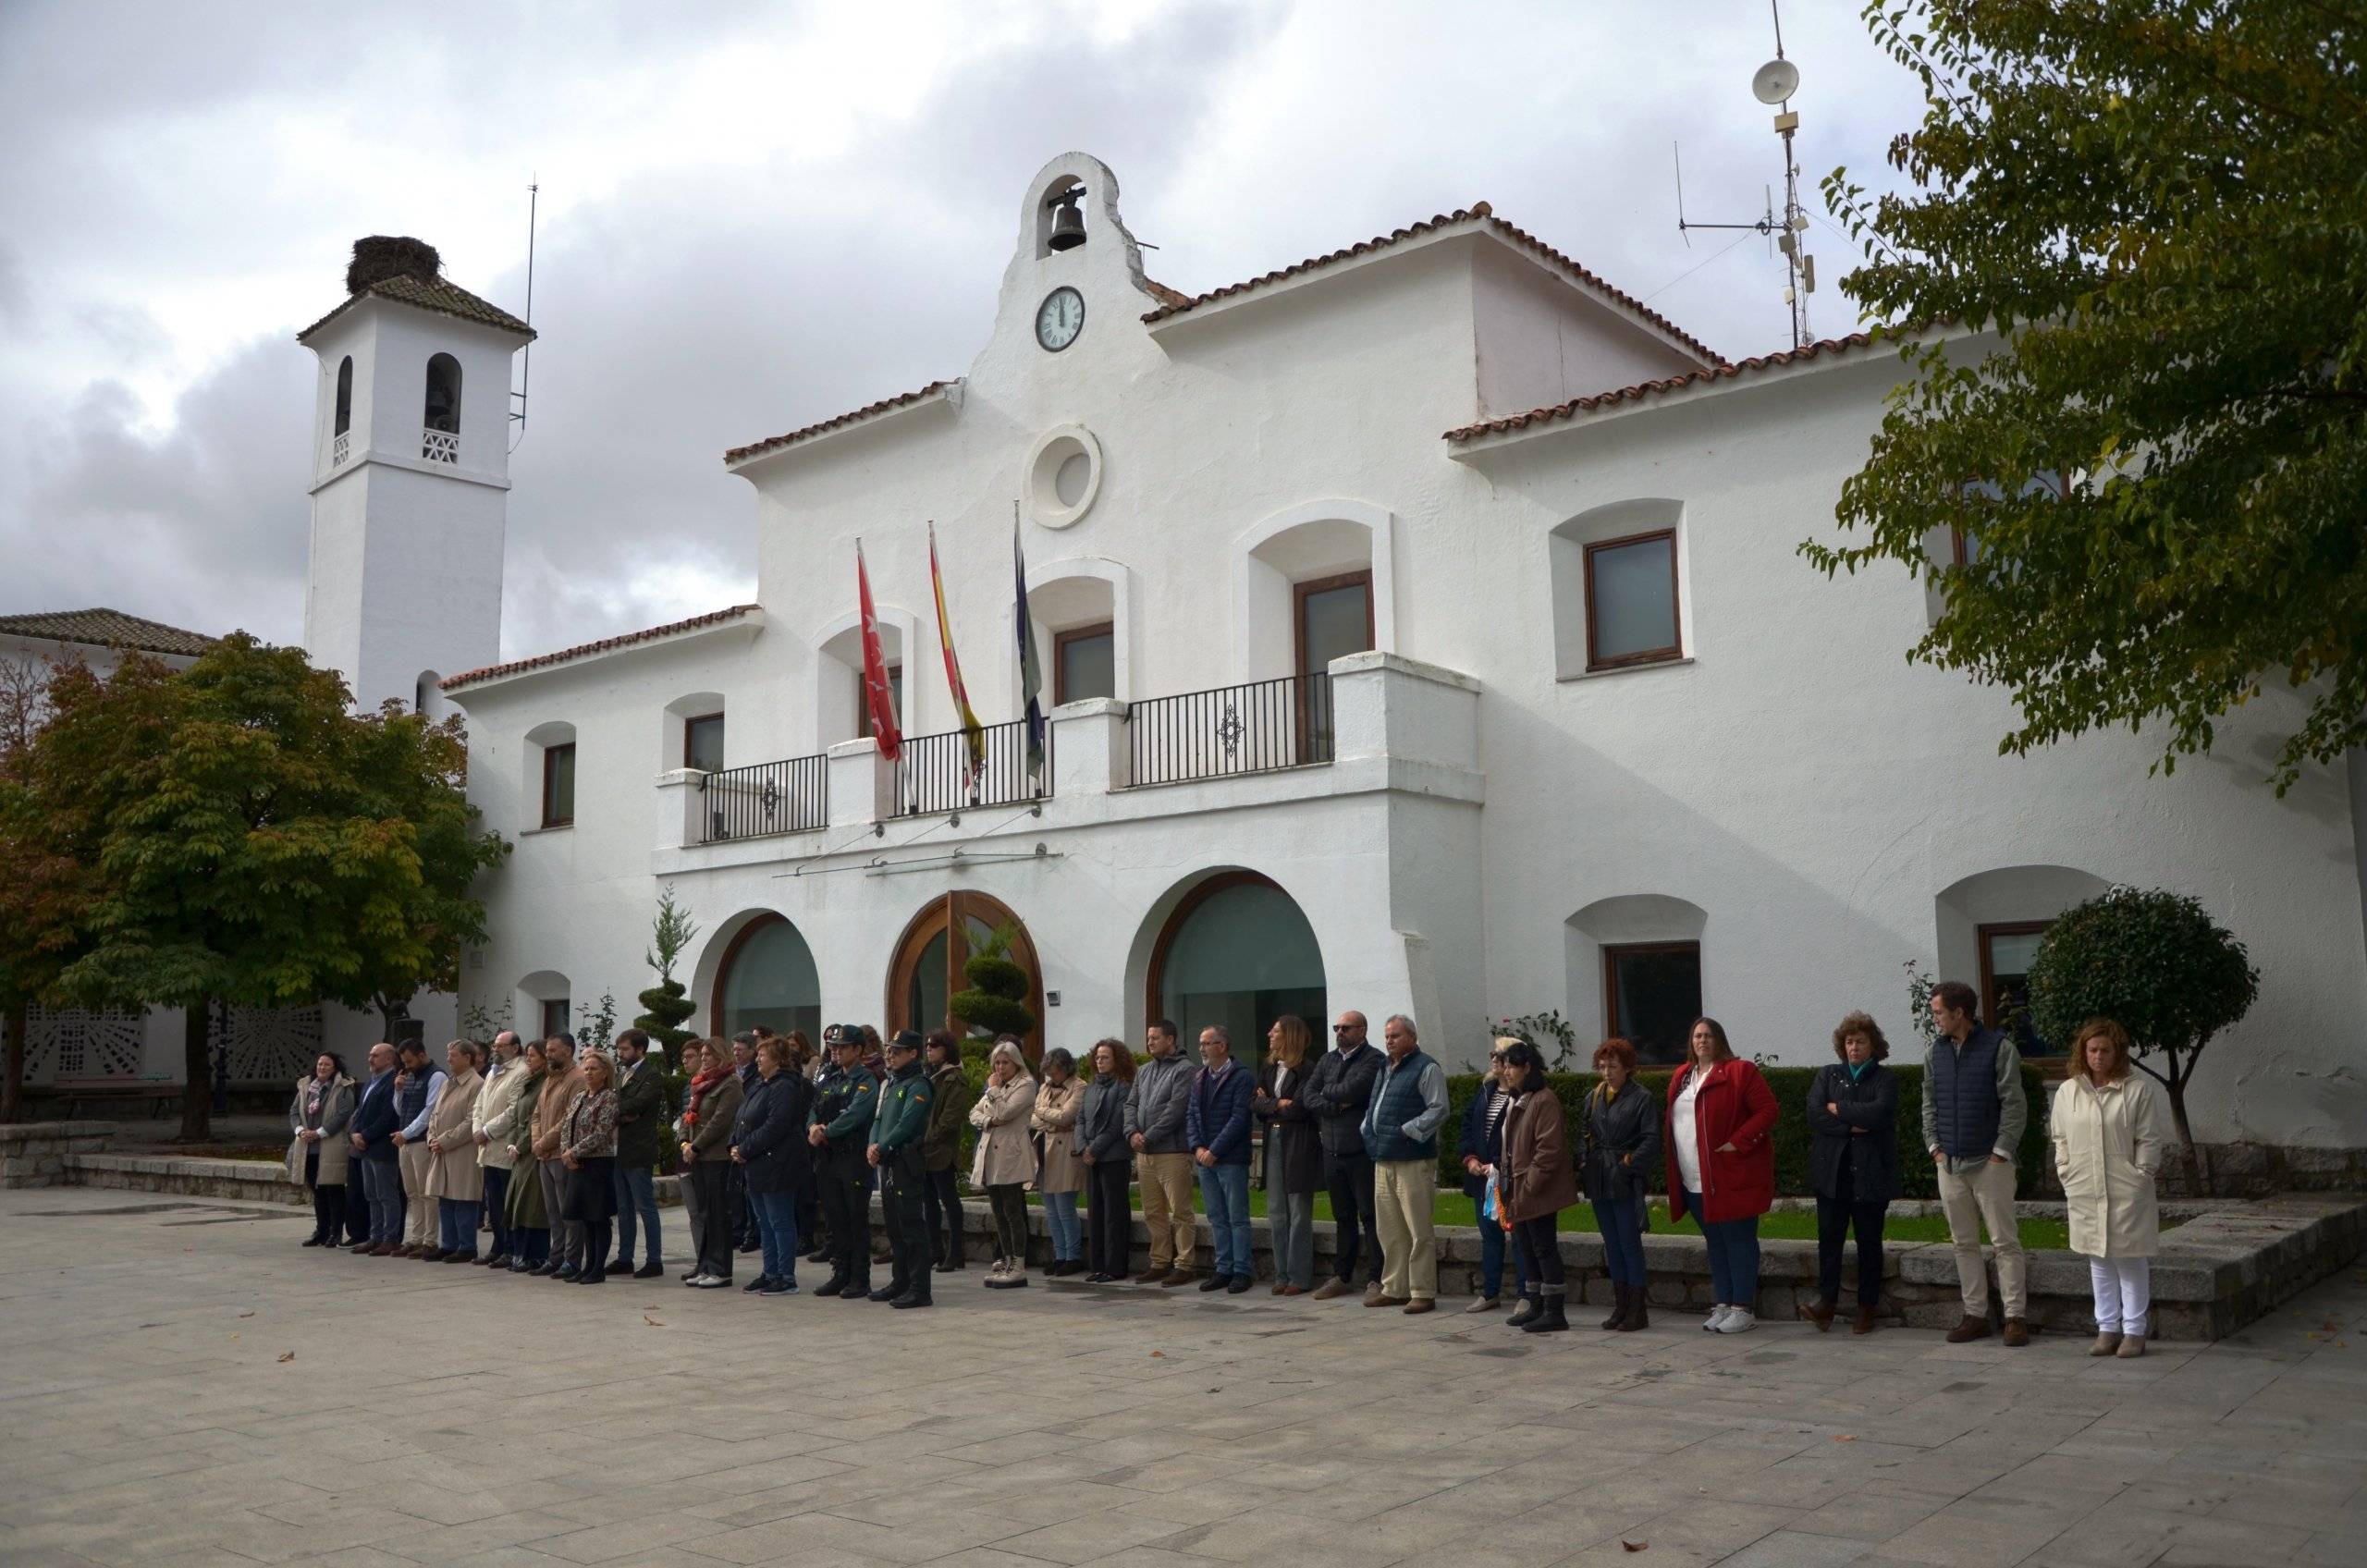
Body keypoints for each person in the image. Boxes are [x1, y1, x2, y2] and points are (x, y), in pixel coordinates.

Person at [2053, 1019, 2169, 1358]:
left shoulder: (2136, 1091)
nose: (2098, 1056)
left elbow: (2149, 1139)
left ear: (2117, 1053)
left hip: (2125, 1186)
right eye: (2092, 1049)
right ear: (2082, 1052)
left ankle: (2134, 1331)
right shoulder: (2067, 1092)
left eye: (2105, 1050)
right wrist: (2065, 1171)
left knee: (2129, 1257)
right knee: (2099, 1259)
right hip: (2085, 1186)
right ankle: (2107, 1329)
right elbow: (2060, 1137)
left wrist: (2141, 1175)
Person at [1924, 979, 2031, 1346]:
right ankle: (1975, 1316)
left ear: (1959, 1013)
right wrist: (1934, 1148)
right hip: (1949, 1163)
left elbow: (2014, 1104)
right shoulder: (1934, 1054)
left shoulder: (2000, 1048)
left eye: (1939, 1012)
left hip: (1991, 1164)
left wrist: (2001, 1152)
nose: (1935, 1018)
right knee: (1963, 1243)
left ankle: (2015, 1317)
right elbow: (1929, 1104)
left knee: (2005, 1241)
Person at [1665, 1018, 1779, 1333]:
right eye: (1697, 1035)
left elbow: (1767, 1111)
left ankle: (1743, 1307)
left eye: (1708, 1035)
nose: (1702, 1041)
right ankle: (1725, 1303)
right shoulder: (1682, 1076)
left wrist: (1737, 1143)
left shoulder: (1740, 1072)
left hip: (1730, 1175)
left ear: (1720, 1040)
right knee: (1715, 1242)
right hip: (1694, 1176)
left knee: (1739, 1240)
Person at [1804, 1012, 1902, 1334]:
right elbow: (1815, 1113)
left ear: (1873, 1046)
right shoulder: (1828, 1075)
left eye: (1860, 1041)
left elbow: (1880, 1113)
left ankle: (1866, 1308)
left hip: (1870, 1175)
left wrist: (1840, 1108)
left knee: (1868, 1243)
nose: (1854, 1047)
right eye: (1849, 1042)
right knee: (1828, 1241)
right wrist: (1853, 1126)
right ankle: (1826, 1304)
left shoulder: (1884, 1080)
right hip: (1833, 1173)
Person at [1360, 1014, 1448, 1314]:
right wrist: (1367, 1129)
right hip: (1383, 1159)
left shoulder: (1427, 1067)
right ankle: (1395, 1287)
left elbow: (1439, 1109)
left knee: (1418, 1229)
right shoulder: (1385, 1067)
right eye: (1386, 1036)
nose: (1389, 1041)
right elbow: (1374, 1105)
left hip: (1413, 1159)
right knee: (1390, 1229)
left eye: (1395, 1036)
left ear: (1412, 1036)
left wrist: (1408, 1131)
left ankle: (1422, 1291)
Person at [1579, 1037, 1661, 1331]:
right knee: (1611, 1243)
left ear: (1627, 1067)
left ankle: (1638, 1310)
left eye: (1612, 1066)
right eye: (1602, 1066)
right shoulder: (1595, 1095)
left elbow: (1651, 1139)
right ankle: (1620, 1305)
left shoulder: (1642, 1098)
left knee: (1629, 1243)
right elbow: (1584, 1131)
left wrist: (1629, 1166)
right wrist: (1584, 1160)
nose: (1607, 1072)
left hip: (1623, 1178)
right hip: (1600, 1176)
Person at [1497, 1040, 1578, 1333]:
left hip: (1535, 1189)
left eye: (1511, 1066)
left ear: (1527, 1067)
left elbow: (1548, 1150)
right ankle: (1536, 1303)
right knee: (1527, 1247)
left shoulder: (1543, 1100)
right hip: (1518, 1188)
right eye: (1504, 1065)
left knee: (1543, 1246)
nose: (1505, 1071)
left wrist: (1529, 1184)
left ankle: (1555, 1310)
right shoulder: (1520, 1099)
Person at [1306, 1011, 1385, 1302]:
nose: (1340, 1032)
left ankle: (1377, 1278)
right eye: (1337, 1027)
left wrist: (1330, 1095)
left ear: (1362, 1030)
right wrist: (1335, 1104)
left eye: (1346, 1028)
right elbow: (1308, 1095)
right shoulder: (1327, 1059)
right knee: (1343, 1217)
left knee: (1370, 1215)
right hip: (1332, 1149)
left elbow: (1355, 1089)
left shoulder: (1374, 1059)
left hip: (1360, 1151)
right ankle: (1343, 1275)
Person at [733, 1035, 816, 1296]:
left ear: (779, 1060)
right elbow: (742, 1117)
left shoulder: (785, 1087)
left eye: (763, 1055)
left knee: (780, 1220)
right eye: (757, 1054)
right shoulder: (760, 1084)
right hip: (755, 1163)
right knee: (764, 1222)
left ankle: (785, 1275)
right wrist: (734, 1145)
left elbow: (776, 1125)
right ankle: (769, 1272)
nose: (758, 1059)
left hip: (777, 1163)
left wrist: (745, 1148)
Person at [1124, 1020, 1198, 1286]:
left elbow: (1176, 1110)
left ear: (1171, 1040)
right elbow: (1131, 1104)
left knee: (1181, 1211)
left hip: (1172, 1152)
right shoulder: (1143, 1071)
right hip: (1144, 1154)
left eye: (1155, 1037)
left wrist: (1149, 1136)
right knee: (1153, 1212)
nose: (1150, 1042)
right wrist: (1132, 1132)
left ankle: (1185, 1264)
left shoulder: (1185, 1069)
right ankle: (1159, 1262)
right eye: (1148, 1038)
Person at [1456, 1039, 1527, 1315]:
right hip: (1481, 1179)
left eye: (1502, 1055)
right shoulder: (1485, 1090)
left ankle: (1525, 1293)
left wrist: (1496, 1165)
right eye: (1493, 1054)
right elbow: (1467, 1126)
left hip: (1509, 1178)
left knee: (1519, 1236)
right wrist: (1471, 1158)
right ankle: (1489, 1293)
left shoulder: (1522, 1096)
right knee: (1490, 1237)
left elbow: (1520, 1138)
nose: (1495, 1059)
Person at [1253, 1016, 1321, 1295]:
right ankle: (1281, 1274)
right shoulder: (1269, 1068)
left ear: (1290, 1036)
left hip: (1298, 1143)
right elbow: (1254, 1104)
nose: (1270, 1034)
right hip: (1274, 1138)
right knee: (1276, 1212)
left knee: (1298, 1212)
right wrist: (1276, 1103)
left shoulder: (1307, 1069)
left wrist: (1270, 1104)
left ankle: (1299, 1277)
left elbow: (1301, 1108)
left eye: (1276, 1031)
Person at [868, 1029, 937, 1308]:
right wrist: (872, 1144)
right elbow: (880, 1118)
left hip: (905, 1161)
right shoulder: (894, 1083)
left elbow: (906, 1125)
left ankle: (920, 1288)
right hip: (888, 1161)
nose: (890, 1055)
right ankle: (901, 1281)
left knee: (911, 1226)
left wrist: (881, 1147)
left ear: (913, 1054)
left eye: (897, 1051)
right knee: (894, 1227)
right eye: (889, 1050)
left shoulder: (918, 1085)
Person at [809, 1023, 877, 1298]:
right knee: (835, 1218)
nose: (835, 1051)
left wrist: (826, 1131)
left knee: (855, 1218)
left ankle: (860, 1278)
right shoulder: (830, 1077)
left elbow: (855, 1114)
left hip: (852, 1157)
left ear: (858, 1050)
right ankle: (840, 1272)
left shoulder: (867, 1080)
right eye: (833, 1046)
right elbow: (814, 1108)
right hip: (827, 1157)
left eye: (842, 1047)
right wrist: (812, 1127)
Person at [1188, 1025, 1255, 1294]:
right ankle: (1222, 1268)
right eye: (1200, 1043)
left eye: (1207, 1043)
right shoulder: (1200, 1076)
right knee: (1216, 1216)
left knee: (1237, 1217)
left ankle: (1241, 1270)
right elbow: (1191, 1114)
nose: (1202, 1048)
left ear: (1223, 1046)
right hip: (1205, 1158)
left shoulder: (1241, 1077)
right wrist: (1197, 1147)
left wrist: (1214, 1150)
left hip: (1230, 1158)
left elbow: (1239, 1118)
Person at [970, 1037, 1041, 1288]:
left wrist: (993, 1093)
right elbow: (974, 1114)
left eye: (1005, 1063)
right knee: (998, 1212)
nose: (1000, 1068)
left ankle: (1019, 1264)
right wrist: (990, 1120)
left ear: (1016, 1063)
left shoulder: (1026, 1084)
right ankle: (1007, 1260)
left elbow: (1006, 1113)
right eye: (997, 1063)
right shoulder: (998, 1085)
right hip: (990, 1154)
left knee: (1012, 1211)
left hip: (1011, 1155)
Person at [680, 1038, 745, 1288]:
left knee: (718, 1215)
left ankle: (720, 1268)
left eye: (708, 1054)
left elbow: (720, 1121)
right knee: (704, 1214)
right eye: (703, 1054)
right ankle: (705, 1264)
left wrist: (696, 1146)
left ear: (721, 1055)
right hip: (697, 1157)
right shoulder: (700, 1083)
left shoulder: (730, 1084)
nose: (704, 1058)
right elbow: (688, 1116)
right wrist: (685, 1143)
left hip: (716, 1157)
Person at [606, 1028, 668, 1280]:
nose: (620, 1054)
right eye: (619, 1049)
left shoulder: (651, 1075)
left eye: (625, 1049)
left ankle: (654, 1259)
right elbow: (616, 1105)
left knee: (646, 1207)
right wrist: (620, 1112)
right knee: (623, 1207)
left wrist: (617, 1111)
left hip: (638, 1149)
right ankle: (625, 1257)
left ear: (640, 1049)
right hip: (618, 1148)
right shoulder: (622, 1074)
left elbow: (638, 1105)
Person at [559, 1047, 620, 1284]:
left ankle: (598, 1268)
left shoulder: (609, 1098)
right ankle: (587, 1265)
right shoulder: (579, 1097)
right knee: (584, 1217)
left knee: (598, 1217)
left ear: (605, 1072)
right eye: (585, 1068)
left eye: (593, 1069)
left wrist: (573, 1151)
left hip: (598, 1164)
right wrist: (567, 1152)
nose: (588, 1073)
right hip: (576, 1164)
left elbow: (602, 1133)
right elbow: (567, 1126)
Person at [1076, 1038, 1135, 1281]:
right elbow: (1080, 1119)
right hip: (1092, 1158)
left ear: (1117, 1059)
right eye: (1098, 1058)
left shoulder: (1123, 1087)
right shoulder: (1091, 1087)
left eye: (1105, 1057)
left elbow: (1115, 1125)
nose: (1100, 1062)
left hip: (1113, 1157)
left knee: (1114, 1213)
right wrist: (1083, 1148)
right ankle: (1097, 1265)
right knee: (1096, 1212)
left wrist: (1094, 1149)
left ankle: (1115, 1267)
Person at [530, 1035, 589, 1280]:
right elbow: (537, 1114)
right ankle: (556, 1258)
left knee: (569, 1213)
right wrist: (536, 1141)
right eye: (547, 1050)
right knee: (553, 1213)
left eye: (553, 1050)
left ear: (568, 1051)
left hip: (562, 1154)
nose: (549, 1054)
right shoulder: (549, 1079)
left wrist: (544, 1141)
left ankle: (571, 1260)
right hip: (544, 1155)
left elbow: (569, 1118)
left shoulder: (577, 1079)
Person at [423, 1040, 486, 1264]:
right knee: (445, 1199)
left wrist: (444, 1140)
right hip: (442, 1149)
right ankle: (448, 1244)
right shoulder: (448, 1083)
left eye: (453, 1055)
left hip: (463, 1151)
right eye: (448, 1055)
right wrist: (431, 1137)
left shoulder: (477, 1084)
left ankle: (467, 1246)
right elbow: (434, 1115)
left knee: (464, 1199)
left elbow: (472, 1120)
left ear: (467, 1058)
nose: (448, 1059)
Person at [472, 1032, 531, 1268]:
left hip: (503, 1145)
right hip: (487, 1148)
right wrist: (477, 1128)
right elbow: (479, 1104)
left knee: (506, 1204)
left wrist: (486, 1131)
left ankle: (510, 1248)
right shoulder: (492, 1073)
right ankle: (497, 1246)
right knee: (493, 1203)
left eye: (500, 1045)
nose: (495, 1049)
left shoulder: (521, 1072)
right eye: (494, 1045)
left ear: (515, 1048)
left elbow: (514, 1110)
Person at [287, 1051, 356, 1248]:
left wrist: (319, 1133)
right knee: (317, 1193)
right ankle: (321, 1231)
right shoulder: (306, 1087)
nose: (322, 1068)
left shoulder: (343, 1088)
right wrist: (301, 1131)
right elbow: (294, 1112)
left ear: (335, 1068)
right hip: (308, 1148)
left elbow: (343, 1115)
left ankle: (335, 1233)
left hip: (330, 1146)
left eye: (327, 1065)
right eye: (319, 1064)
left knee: (333, 1191)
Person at [921, 1031, 974, 1273]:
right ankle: (934, 1250)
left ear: (947, 1049)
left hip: (941, 1150)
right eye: (927, 1046)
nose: (929, 1049)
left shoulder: (955, 1079)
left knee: (949, 1201)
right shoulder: (929, 1076)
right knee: (928, 1202)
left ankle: (956, 1252)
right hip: (925, 1150)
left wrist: (928, 1138)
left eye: (934, 1045)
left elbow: (950, 1118)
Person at [389, 1037, 448, 1256]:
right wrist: (398, 1091)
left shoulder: (437, 1075)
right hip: (406, 1142)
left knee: (427, 1193)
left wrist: (406, 1134)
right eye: (404, 1062)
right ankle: (416, 1237)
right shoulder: (410, 1076)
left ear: (422, 1055)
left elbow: (429, 1112)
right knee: (412, 1192)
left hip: (421, 1141)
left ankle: (430, 1240)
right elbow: (400, 1110)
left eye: (410, 1061)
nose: (407, 1066)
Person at [347, 1043, 405, 1255]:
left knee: (386, 1194)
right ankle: (375, 1236)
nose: (370, 1059)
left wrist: (366, 1135)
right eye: (370, 1055)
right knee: (371, 1194)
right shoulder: (371, 1081)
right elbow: (360, 1112)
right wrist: (354, 1133)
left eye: (375, 1055)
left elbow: (389, 1116)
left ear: (389, 1059)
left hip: (382, 1147)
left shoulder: (392, 1082)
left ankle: (390, 1237)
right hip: (365, 1147)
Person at [1033, 1047, 1086, 1277]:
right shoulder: (1044, 1088)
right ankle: (1059, 1254)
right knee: (1051, 1211)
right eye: (1048, 1073)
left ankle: (1073, 1256)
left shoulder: (1080, 1086)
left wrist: (1044, 1115)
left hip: (1065, 1152)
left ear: (1065, 1069)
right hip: (1044, 1151)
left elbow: (1068, 1116)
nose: (1050, 1077)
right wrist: (1050, 1119)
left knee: (1065, 1208)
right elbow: (1032, 1116)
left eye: (1054, 1073)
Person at [498, 1041, 551, 1273]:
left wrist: (520, 1146)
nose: (528, 1059)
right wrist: (511, 1142)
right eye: (527, 1055)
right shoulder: (527, 1082)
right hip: (519, 1149)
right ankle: (517, 1253)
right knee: (517, 1204)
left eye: (533, 1055)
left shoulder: (544, 1084)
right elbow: (517, 1117)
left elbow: (535, 1120)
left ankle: (535, 1255)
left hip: (532, 1150)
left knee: (532, 1204)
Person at [730, 1032, 763, 1255]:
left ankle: (753, 1233)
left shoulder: (756, 1075)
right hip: (736, 1134)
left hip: (751, 1136)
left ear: (753, 1051)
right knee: (738, 1190)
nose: (736, 1054)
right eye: (734, 1050)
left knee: (751, 1192)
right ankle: (739, 1230)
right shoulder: (734, 1072)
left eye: (740, 1050)